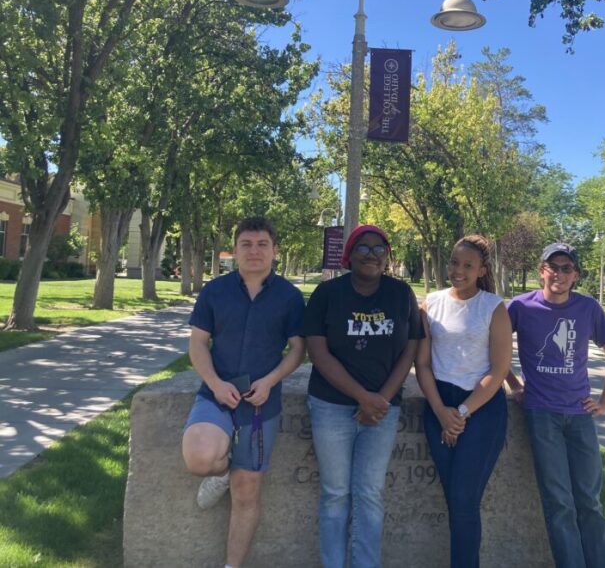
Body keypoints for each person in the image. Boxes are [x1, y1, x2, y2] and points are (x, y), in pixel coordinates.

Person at [181, 216, 306, 568]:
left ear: (274, 251)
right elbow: (198, 344)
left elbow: (298, 349)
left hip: (260, 402)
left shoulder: (290, 297)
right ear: (234, 251)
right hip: (217, 394)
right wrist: (216, 384)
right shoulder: (214, 291)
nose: (254, 251)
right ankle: (221, 473)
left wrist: (270, 381)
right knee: (201, 459)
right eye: (246, 244)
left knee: (247, 492)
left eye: (262, 244)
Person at [302, 225, 423, 568]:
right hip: (330, 406)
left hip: (384, 410)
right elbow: (317, 351)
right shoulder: (327, 294)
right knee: (335, 494)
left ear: (387, 257)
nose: (372, 255)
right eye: (364, 248)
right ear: (349, 255)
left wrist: (380, 399)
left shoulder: (401, 294)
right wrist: (362, 397)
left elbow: (411, 348)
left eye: (379, 249)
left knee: (370, 494)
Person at [506, 243, 605, 568]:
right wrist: (514, 385)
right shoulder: (520, 307)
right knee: (559, 502)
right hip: (542, 414)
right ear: (541, 270)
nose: (559, 273)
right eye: (553, 266)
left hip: (580, 415)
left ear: (576, 275)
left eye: (566, 268)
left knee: (589, 501)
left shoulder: (588, 308)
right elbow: (496, 349)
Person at [415, 235, 512, 568]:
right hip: (438, 404)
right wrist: (442, 412)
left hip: (481, 409)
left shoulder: (493, 307)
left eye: (468, 265)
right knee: (453, 498)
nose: (458, 270)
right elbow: (422, 363)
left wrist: (462, 412)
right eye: (455, 262)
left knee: (464, 499)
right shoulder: (432, 302)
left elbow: (499, 370)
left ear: (481, 269)